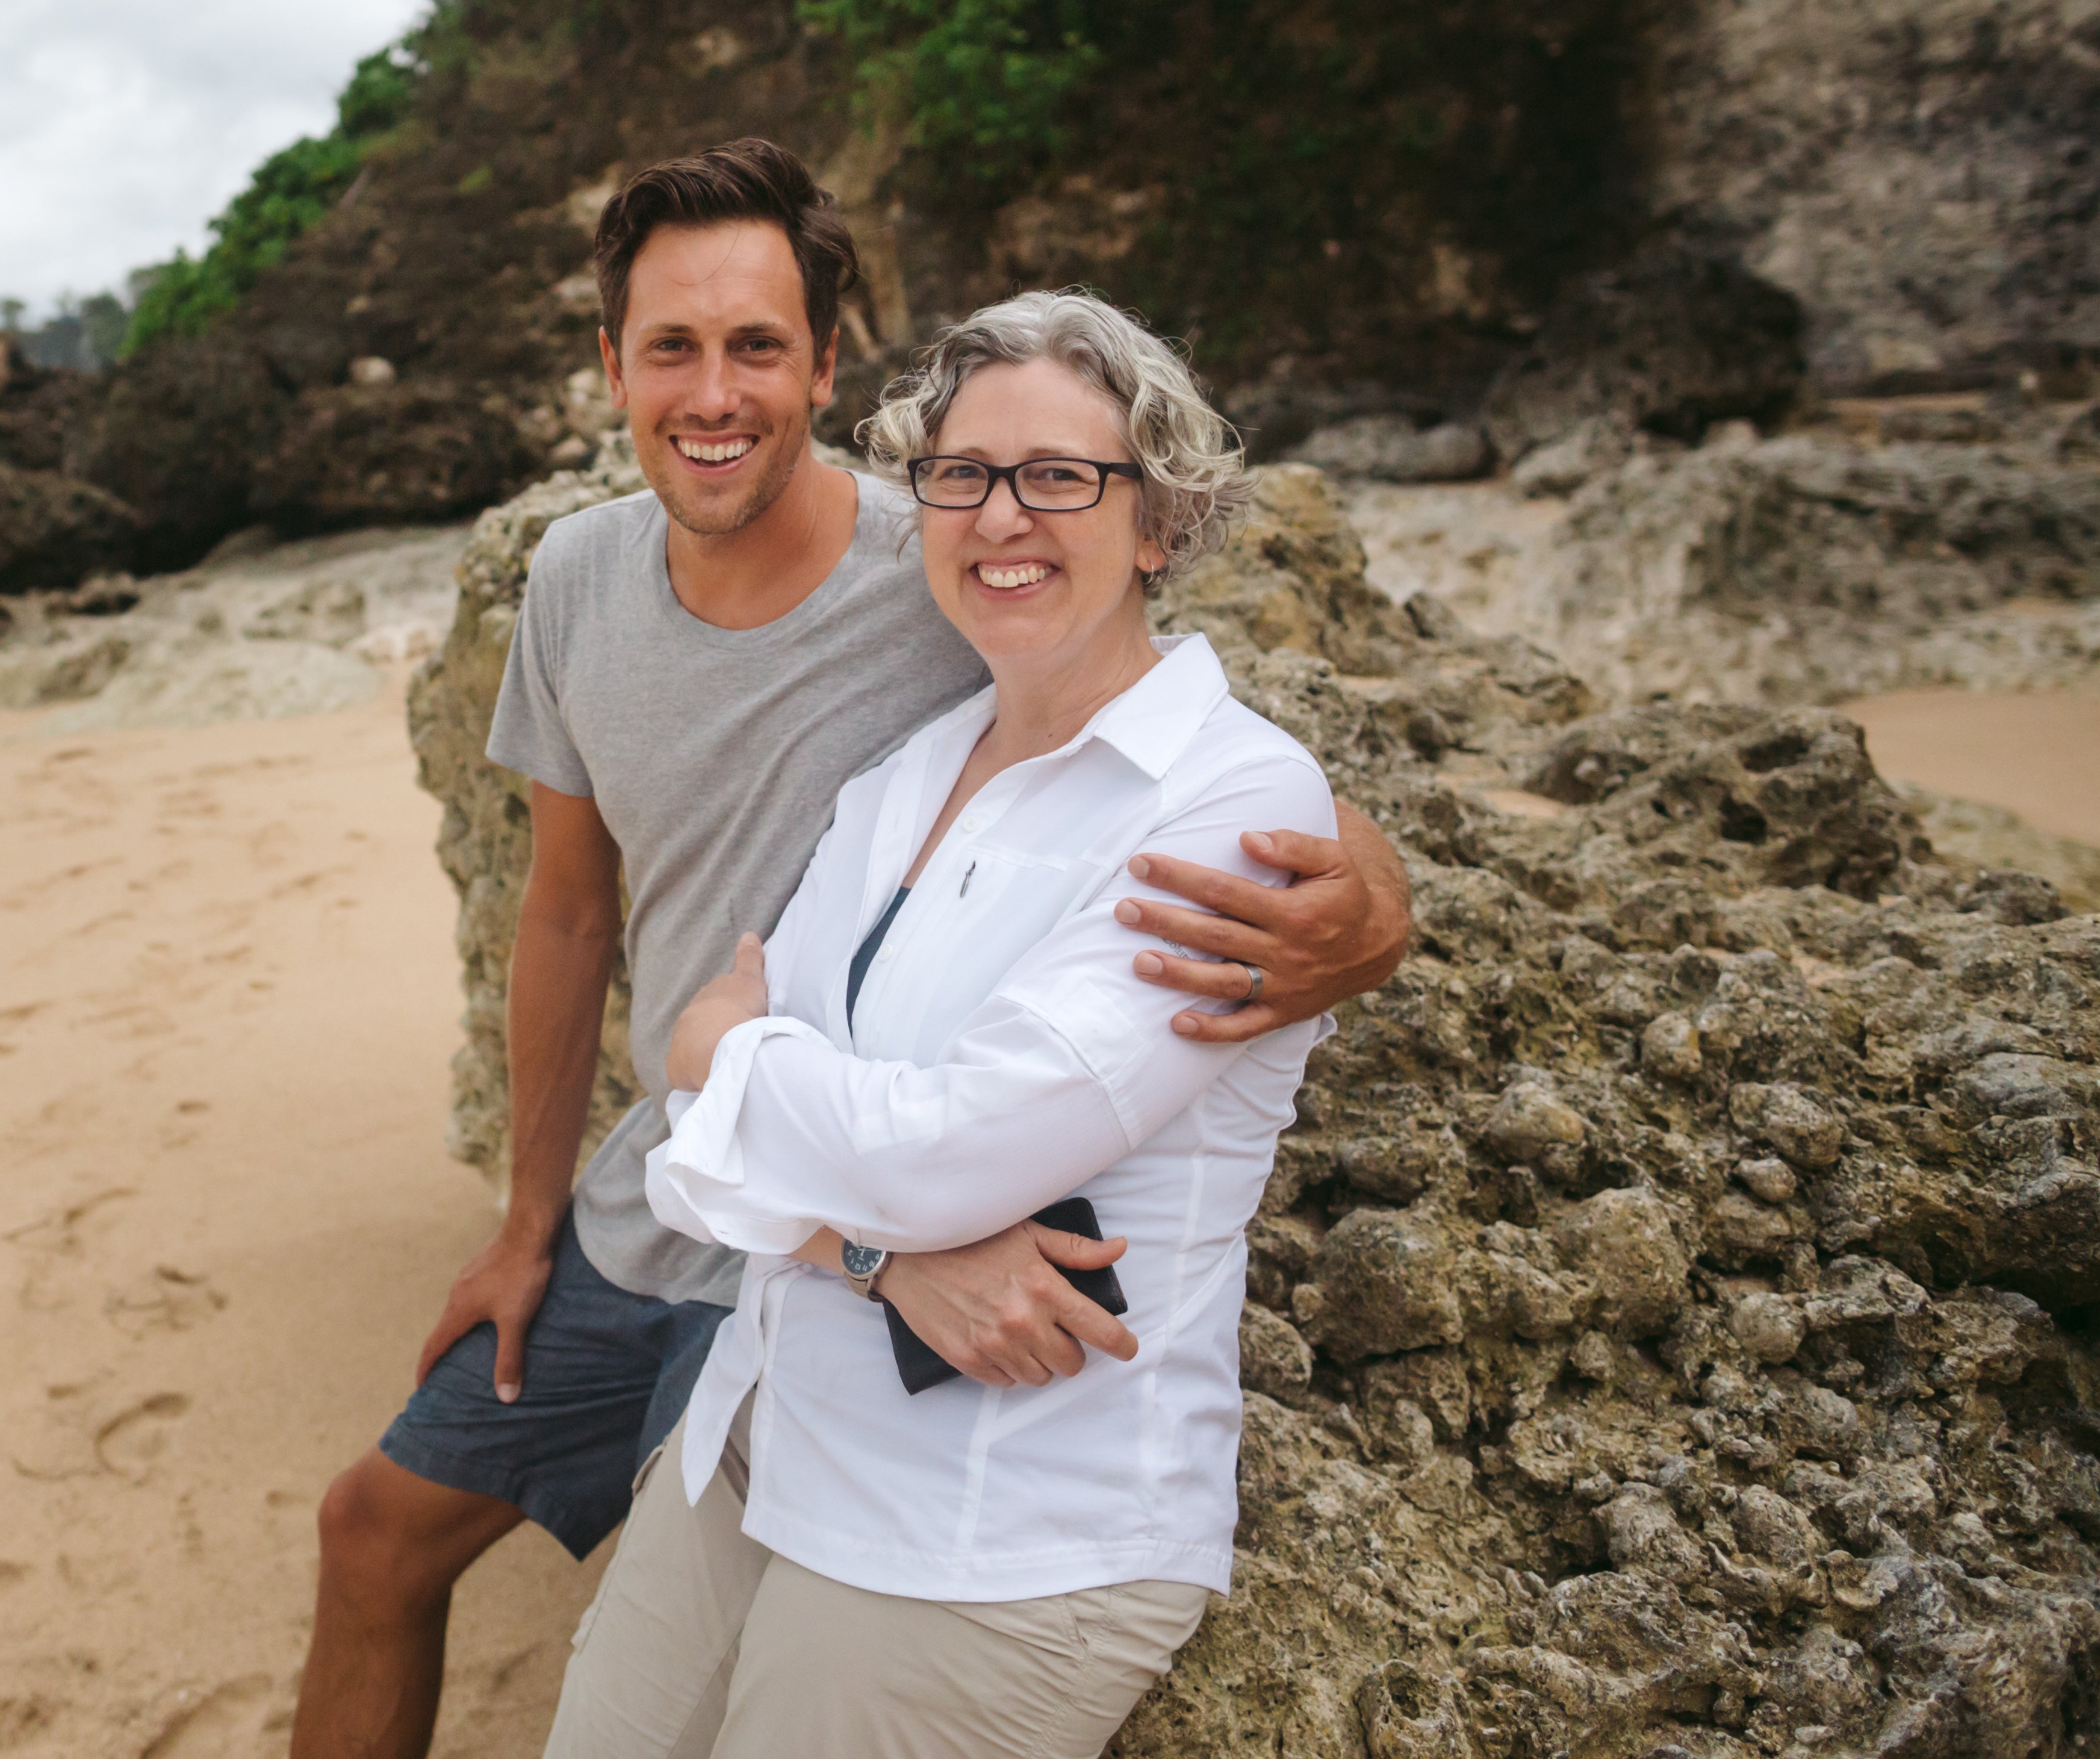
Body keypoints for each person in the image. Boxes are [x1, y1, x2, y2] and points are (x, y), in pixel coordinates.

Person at [290, 143, 1412, 1759]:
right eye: (670, 347)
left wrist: (1371, 911)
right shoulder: (584, 582)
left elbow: (1202, 767)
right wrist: (531, 1219)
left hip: (821, 1296)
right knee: (371, 1534)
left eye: (757, 346)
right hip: (680, 1203)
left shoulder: (950, 569)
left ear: (826, 365)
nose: (713, 391)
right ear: (612, 367)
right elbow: (567, 912)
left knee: (706, 1628)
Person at [541, 287, 1332, 1759]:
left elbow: (941, 1148)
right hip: (756, 1435)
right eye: (961, 475)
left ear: (1157, 521)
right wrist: (872, 1242)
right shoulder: (905, 772)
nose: (1001, 514)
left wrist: (728, 1053)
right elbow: (693, 1169)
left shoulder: (1227, 802)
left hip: (1000, 1521)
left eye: (1060, 477)